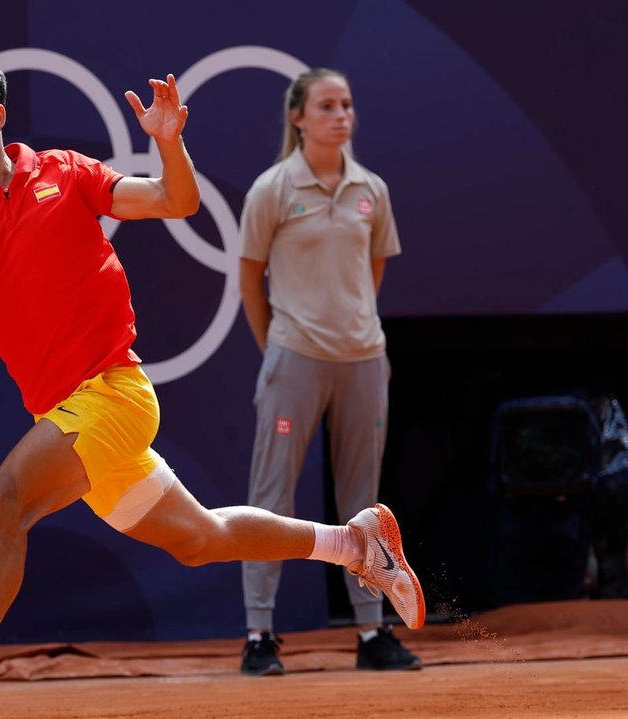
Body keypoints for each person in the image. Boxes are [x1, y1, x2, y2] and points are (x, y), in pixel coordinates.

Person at [0, 58, 424, 719]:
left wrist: (169, 140)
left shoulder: (65, 173)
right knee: (200, 539)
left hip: (113, 392)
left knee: (4, 503)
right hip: (70, 415)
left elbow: (173, 200)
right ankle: (353, 543)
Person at [236, 68, 419, 676]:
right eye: (327, 106)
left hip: (364, 360)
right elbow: (250, 279)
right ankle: (259, 634)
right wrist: (281, 349)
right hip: (295, 358)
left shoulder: (373, 189)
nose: (341, 115)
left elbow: (373, 274)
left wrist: (352, 326)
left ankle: (372, 633)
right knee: (271, 497)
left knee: (364, 503)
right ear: (298, 117)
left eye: (346, 105)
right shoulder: (272, 188)